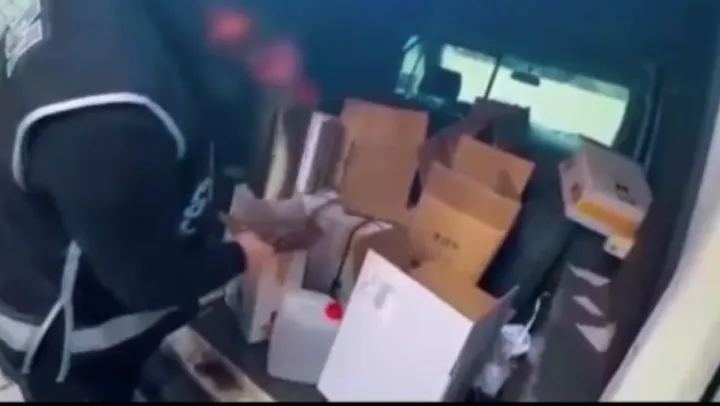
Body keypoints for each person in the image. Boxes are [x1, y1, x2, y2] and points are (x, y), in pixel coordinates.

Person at [0, 0, 308, 401]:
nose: (280, 74)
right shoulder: (109, 119)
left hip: (63, 271)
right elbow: (145, 282)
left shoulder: (140, 24)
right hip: (70, 344)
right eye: (264, 38)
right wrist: (241, 256)